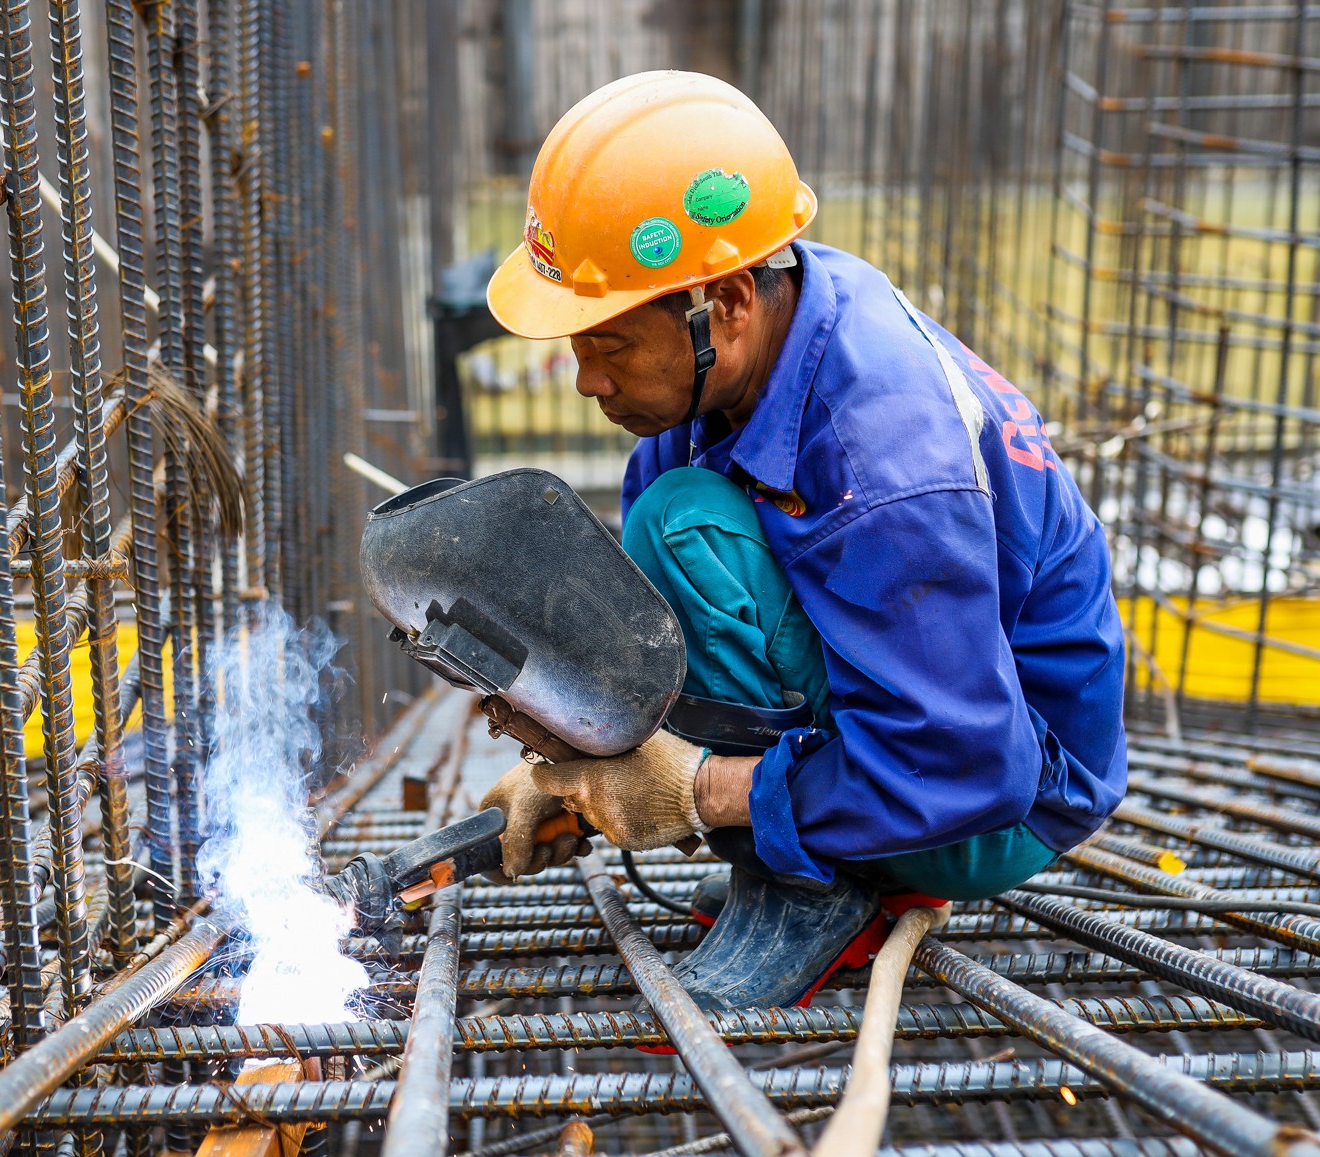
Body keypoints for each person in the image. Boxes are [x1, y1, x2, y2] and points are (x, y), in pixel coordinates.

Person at [476, 71, 1127, 1009]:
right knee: (674, 518)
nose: (586, 378)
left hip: (1001, 790)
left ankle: (815, 885)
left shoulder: (884, 465)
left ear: (726, 303)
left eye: (609, 344)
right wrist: (577, 763)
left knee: (683, 526)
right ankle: (821, 833)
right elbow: (658, 630)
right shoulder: (763, 337)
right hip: (949, 731)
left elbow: (970, 765)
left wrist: (697, 792)